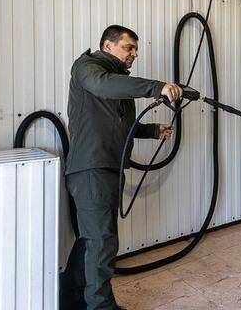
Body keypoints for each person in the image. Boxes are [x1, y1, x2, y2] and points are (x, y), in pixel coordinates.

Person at [60, 25, 182, 309]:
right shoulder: (87, 68)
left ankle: (70, 299)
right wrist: (155, 87)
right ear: (108, 46)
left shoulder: (115, 81)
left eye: (136, 49)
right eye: (129, 47)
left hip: (107, 168)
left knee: (92, 240)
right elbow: (103, 85)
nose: (134, 54)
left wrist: (152, 131)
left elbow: (120, 125)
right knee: (101, 241)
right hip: (91, 168)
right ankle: (100, 306)